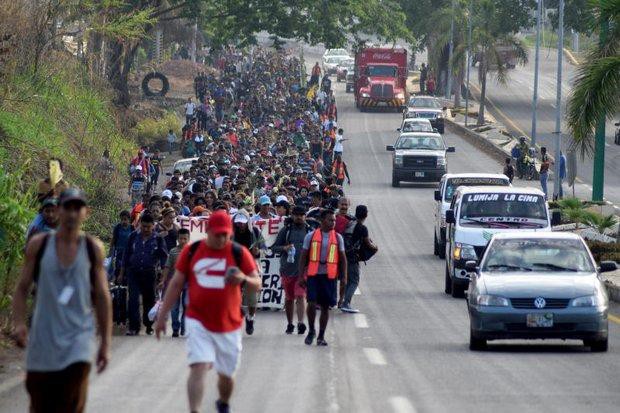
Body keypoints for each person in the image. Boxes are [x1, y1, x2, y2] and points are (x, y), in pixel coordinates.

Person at [12, 188, 111, 413]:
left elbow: (103, 297)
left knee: (71, 402)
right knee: (39, 404)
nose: (73, 213)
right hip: (42, 339)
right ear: (58, 211)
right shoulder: (39, 245)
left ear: (87, 212)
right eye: (68, 207)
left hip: (79, 340)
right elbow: (21, 288)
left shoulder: (92, 249)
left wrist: (105, 343)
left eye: (78, 208)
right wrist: (18, 324)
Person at [154, 211, 261, 413]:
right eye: (217, 234)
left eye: (225, 235)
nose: (222, 239)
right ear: (207, 231)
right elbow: (176, 284)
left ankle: (223, 402)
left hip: (229, 324)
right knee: (198, 367)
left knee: (226, 375)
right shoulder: (192, 251)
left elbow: (257, 283)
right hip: (198, 320)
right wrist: (162, 316)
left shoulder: (239, 253)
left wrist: (244, 279)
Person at [298, 209, 347, 346]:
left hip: (329, 277)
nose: (333, 222)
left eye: (334, 220)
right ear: (322, 220)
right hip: (313, 275)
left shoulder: (338, 238)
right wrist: (301, 276)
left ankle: (321, 336)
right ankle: (311, 330)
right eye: (330, 220)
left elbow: (343, 259)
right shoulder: (311, 236)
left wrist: (344, 277)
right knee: (312, 303)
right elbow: (303, 257)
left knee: (325, 307)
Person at [120, 213, 168, 336]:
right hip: (133, 272)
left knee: (149, 300)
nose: (145, 229)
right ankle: (133, 327)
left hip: (150, 273)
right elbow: (126, 255)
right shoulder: (132, 237)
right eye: (143, 226)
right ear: (140, 224)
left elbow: (164, 259)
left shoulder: (158, 239)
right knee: (133, 300)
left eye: (148, 227)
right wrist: (121, 273)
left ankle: (148, 325)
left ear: (153, 226)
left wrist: (163, 277)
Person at [272, 206, 311, 334]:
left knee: (300, 296)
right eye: (296, 215)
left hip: (304, 270)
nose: (299, 217)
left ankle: (300, 323)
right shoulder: (286, 230)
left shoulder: (310, 231)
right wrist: (285, 248)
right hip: (287, 270)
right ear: (292, 216)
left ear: (305, 216)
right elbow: (274, 248)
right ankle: (290, 324)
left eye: (301, 215)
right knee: (289, 298)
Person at [231, 212, 264, 335]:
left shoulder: (255, 232)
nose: (240, 225)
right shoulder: (231, 232)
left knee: (252, 299)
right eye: (238, 222)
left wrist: (258, 252)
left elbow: (265, 248)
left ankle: (250, 318)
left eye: (243, 223)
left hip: (251, 268)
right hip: (235, 268)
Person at [341, 205, 377, 313]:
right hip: (352, 257)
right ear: (366, 215)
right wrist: (375, 247)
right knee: (354, 281)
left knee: (348, 280)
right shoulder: (362, 228)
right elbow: (368, 244)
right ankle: (346, 303)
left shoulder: (350, 223)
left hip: (343, 255)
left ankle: (344, 302)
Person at [161, 228, 191, 337]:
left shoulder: (192, 251)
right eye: (181, 239)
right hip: (175, 283)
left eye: (185, 239)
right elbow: (167, 266)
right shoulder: (173, 251)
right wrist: (163, 280)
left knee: (187, 306)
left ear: (188, 239)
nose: (182, 241)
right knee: (174, 308)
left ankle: (184, 328)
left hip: (188, 284)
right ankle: (175, 329)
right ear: (177, 239)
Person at [109, 210, 133, 282]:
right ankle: (117, 286)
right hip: (119, 252)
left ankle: (125, 285)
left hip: (129, 253)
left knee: (127, 269)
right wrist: (111, 250)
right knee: (118, 268)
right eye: (122, 219)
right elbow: (114, 239)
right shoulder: (118, 228)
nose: (123, 221)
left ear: (129, 219)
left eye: (125, 219)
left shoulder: (132, 228)